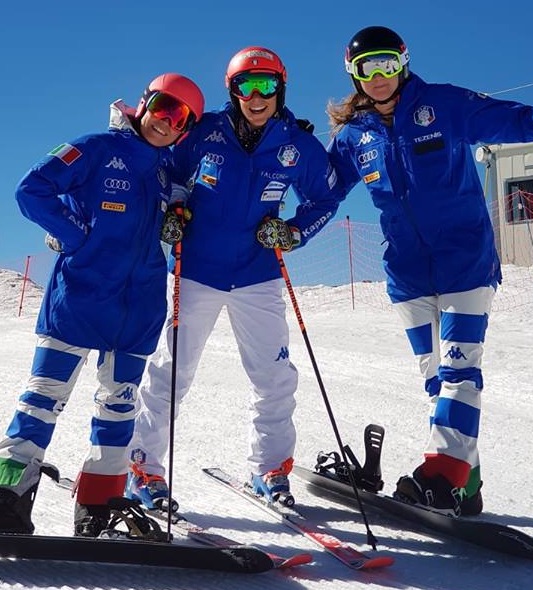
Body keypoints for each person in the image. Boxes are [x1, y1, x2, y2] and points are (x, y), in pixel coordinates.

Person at [326, 26, 533, 515]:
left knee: (459, 371)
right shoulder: (353, 137)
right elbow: (323, 190)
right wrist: (290, 186)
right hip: (407, 275)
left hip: (464, 264)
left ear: (403, 63)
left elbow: (520, 122)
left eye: (388, 63)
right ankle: (466, 486)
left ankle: (443, 475)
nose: (379, 76)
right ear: (354, 73)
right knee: (436, 379)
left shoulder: (445, 105)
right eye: (368, 67)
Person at [0, 74, 205, 537]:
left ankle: (100, 506)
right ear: (145, 103)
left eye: (180, 117)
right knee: (42, 399)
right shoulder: (95, 148)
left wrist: (180, 214)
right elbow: (32, 190)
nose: (167, 122)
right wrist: (74, 236)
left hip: (138, 308)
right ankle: (5, 500)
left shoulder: (170, 173)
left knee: (118, 406)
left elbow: (185, 209)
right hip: (80, 299)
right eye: (164, 107)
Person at [124, 46, 345, 508]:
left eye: (266, 84)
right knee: (171, 373)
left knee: (275, 377)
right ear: (233, 90)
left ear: (280, 89)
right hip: (195, 269)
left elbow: (325, 198)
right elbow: (166, 174)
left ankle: (270, 469)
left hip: (257, 274)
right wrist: (176, 208)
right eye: (246, 85)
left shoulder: (297, 144)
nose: (256, 94)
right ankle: (144, 468)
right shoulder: (203, 133)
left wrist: (293, 231)